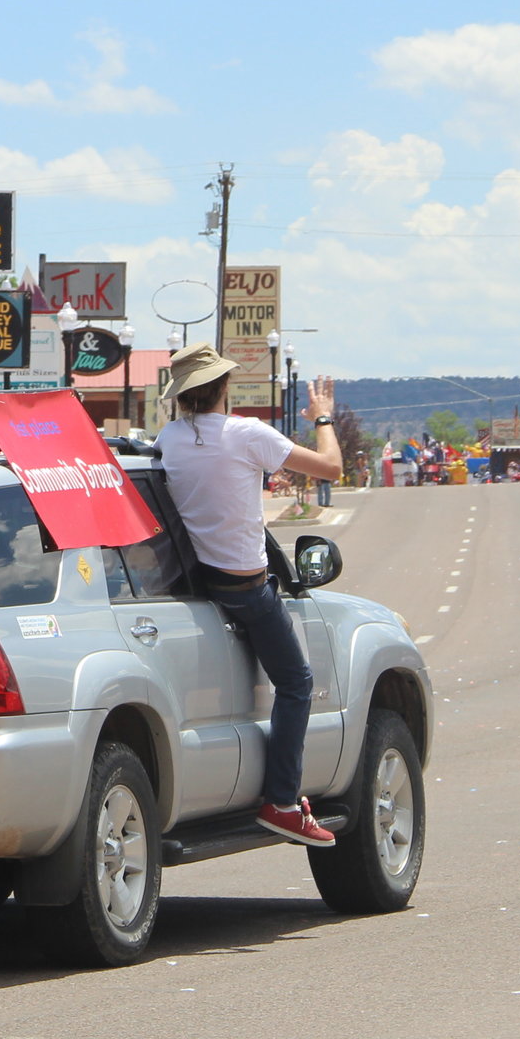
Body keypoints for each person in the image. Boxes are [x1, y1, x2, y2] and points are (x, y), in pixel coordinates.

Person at [157, 344, 342, 848]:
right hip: (247, 590)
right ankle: (283, 803)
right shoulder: (246, 433)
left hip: (203, 586)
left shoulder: (169, 439)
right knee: (298, 683)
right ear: (224, 388)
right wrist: (321, 415)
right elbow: (330, 467)